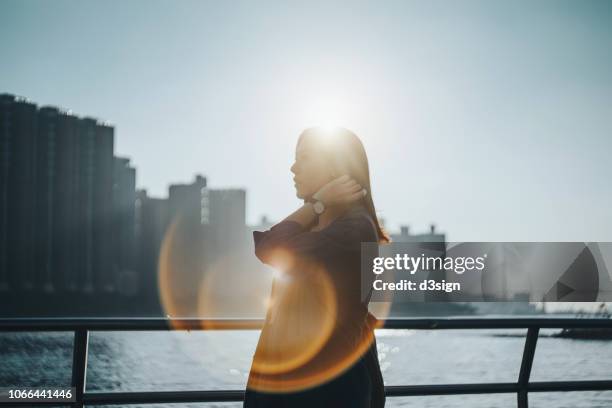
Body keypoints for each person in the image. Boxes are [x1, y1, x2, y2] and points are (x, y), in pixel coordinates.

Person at [244, 127, 388, 408]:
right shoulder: (321, 227)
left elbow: (270, 247)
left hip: (324, 390)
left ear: (335, 165)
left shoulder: (353, 230)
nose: (293, 168)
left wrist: (317, 203)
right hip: (298, 386)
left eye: (305, 157)